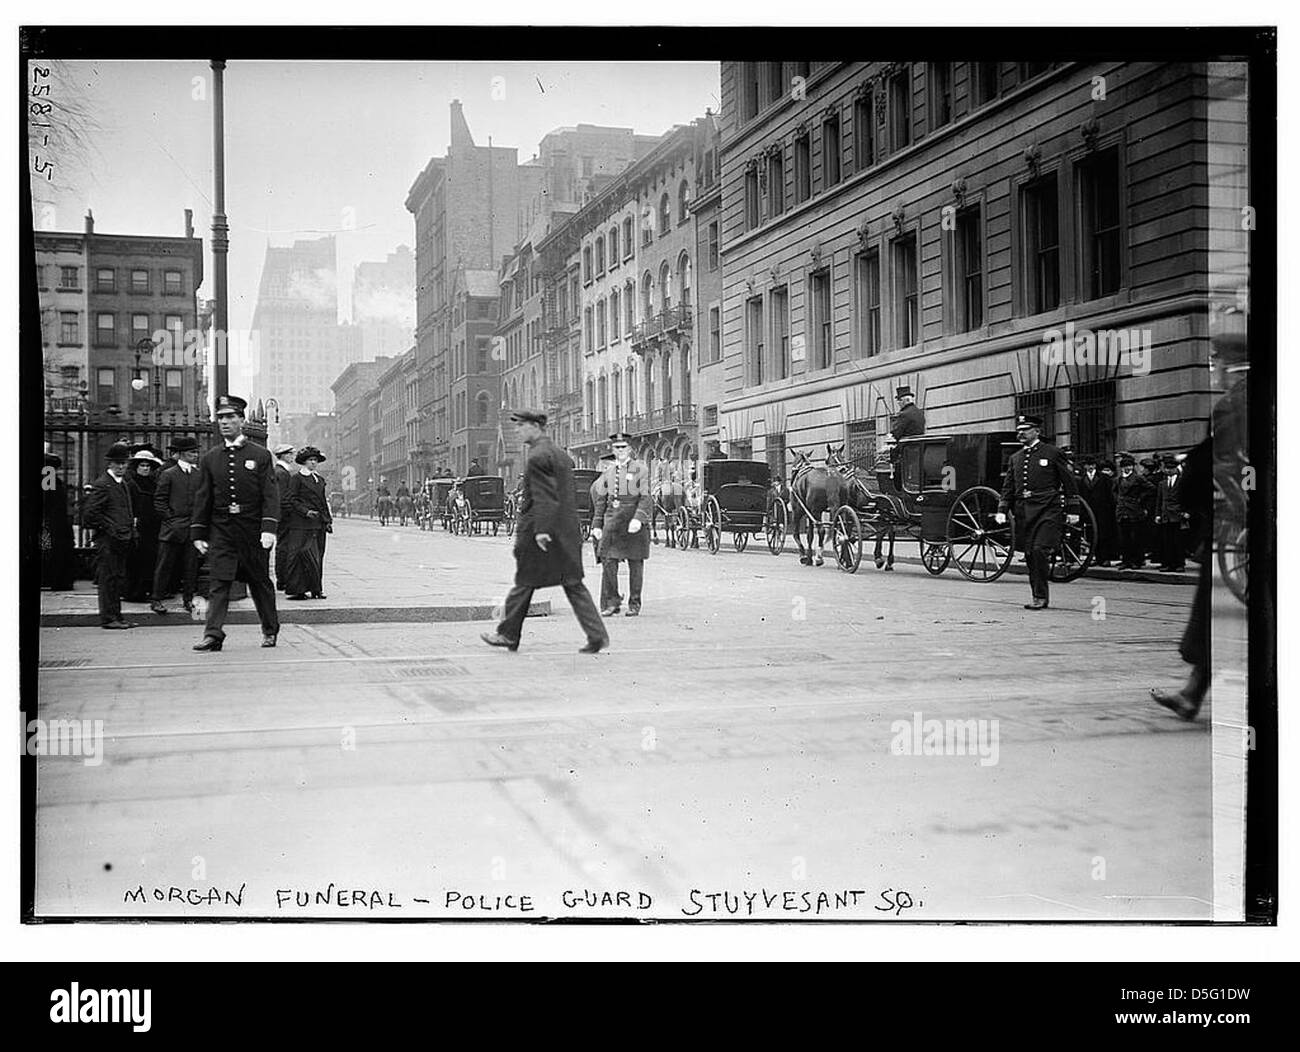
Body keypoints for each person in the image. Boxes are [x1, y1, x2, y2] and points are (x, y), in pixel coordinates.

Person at [480, 410, 607, 653]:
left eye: (521, 426)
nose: (517, 431)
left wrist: (541, 531)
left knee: (524, 582)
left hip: (544, 534)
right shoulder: (560, 454)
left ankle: (507, 634)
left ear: (534, 427)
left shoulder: (538, 456)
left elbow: (545, 497)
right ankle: (597, 635)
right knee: (573, 584)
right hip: (567, 533)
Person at [190, 395, 281, 652]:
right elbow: (203, 497)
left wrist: (269, 528)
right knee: (218, 584)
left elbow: (270, 495)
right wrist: (199, 532)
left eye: (230, 417)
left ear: (242, 420)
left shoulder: (260, 455)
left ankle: (270, 630)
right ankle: (213, 634)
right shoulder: (210, 458)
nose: (225, 422)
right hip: (222, 531)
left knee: (260, 583)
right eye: (221, 417)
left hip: (252, 531)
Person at [995, 413, 1079, 610]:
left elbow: (1069, 482)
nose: (1021, 434)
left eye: (1025, 430)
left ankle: (1041, 597)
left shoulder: (1052, 453)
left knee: (1040, 550)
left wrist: (1074, 509)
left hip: (1049, 509)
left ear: (1037, 431)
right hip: (1024, 512)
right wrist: (1002, 509)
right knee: (1031, 554)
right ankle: (1037, 595)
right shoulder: (1016, 458)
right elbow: (1008, 487)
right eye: (1019, 431)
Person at [591, 433, 652, 616]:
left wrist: (638, 519)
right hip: (612, 522)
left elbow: (645, 497)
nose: (620, 451)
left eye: (624, 447)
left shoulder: (640, 469)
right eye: (617, 448)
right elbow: (601, 501)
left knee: (636, 563)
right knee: (608, 561)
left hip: (633, 521)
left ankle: (634, 603)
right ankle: (612, 602)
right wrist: (596, 525)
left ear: (630, 449)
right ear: (613, 450)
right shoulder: (608, 473)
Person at [81, 442, 138, 629]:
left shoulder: (123, 483)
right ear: (110, 464)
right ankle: (109, 618)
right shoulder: (103, 484)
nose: (121, 466)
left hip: (122, 538)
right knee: (108, 579)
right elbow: (90, 514)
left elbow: (127, 510)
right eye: (117, 463)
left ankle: (117, 616)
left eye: (124, 463)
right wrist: (110, 528)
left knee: (117, 578)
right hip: (109, 540)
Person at [150, 436, 201, 614]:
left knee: (191, 566)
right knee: (165, 564)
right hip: (172, 528)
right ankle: (156, 599)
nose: (195, 455)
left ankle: (188, 599)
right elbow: (159, 500)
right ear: (180, 454)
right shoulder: (168, 474)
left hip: (192, 527)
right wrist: (170, 519)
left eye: (196, 451)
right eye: (191, 452)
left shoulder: (198, 474)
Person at [282, 446, 332, 600]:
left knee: (317, 556)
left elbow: (323, 502)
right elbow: (291, 499)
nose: (313, 463)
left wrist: (328, 520)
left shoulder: (319, 480)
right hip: (300, 525)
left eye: (315, 460)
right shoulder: (296, 478)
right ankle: (299, 590)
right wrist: (305, 511)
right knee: (298, 556)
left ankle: (317, 589)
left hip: (318, 524)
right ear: (303, 462)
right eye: (310, 460)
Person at [124, 448, 165, 602]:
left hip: (152, 526)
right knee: (135, 561)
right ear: (136, 467)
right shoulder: (130, 483)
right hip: (137, 525)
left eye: (148, 466)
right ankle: (134, 592)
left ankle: (146, 590)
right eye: (142, 465)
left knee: (150, 560)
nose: (145, 469)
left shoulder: (153, 484)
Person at [41, 450, 76, 591]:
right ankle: (57, 580)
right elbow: (48, 499)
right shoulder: (48, 474)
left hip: (54, 522)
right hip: (54, 523)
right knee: (54, 550)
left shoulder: (48, 475)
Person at [1114, 454, 1156, 569]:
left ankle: (1137, 560)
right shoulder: (1119, 479)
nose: (1128, 468)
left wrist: (1139, 499)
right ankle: (1126, 560)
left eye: (1130, 466)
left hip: (1134, 510)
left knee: (1136, 537)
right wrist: (1118, 500)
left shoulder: (1138, 478)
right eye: (1126, 466)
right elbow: (1114, 492)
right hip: (1122, 510)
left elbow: (1151, 488)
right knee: (1124, 537)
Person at [1077, 454, 1117, 566]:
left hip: (1102, 511)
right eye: (1088, 465)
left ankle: (1104, 558)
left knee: (1103, 534)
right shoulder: (1081, 479)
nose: (1090, 467)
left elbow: (1110, 495)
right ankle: (1095, 556)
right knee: (1091, 535)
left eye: (1092, 465)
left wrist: (1110, 508)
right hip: (1088, 511)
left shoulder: (1104, 478)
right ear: (1085, 466)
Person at [1153, 454, 1188, 571]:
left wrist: (1186, 512)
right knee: (1167, 542)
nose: (1169, 470)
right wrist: (1157, 514)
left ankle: (1179, 564)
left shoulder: (1182, 482)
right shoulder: (1162, 484)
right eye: (1167, 468)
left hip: (1178, 515)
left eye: (1171, 468)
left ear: (1176, 469)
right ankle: (1168, 564)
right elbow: (1159, 500)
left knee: (1178, 541)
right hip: (1165, 515)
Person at [271, 443, 296, 589]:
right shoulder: (281, 473)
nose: (293, 457)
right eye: (291, 454)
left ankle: (284, 578)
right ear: (285, 455)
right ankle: (282, 579)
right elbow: (282, 498)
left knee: (284, 546)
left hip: (283, 515)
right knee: (283, 547)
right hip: (284, 516)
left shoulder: (281, 471)